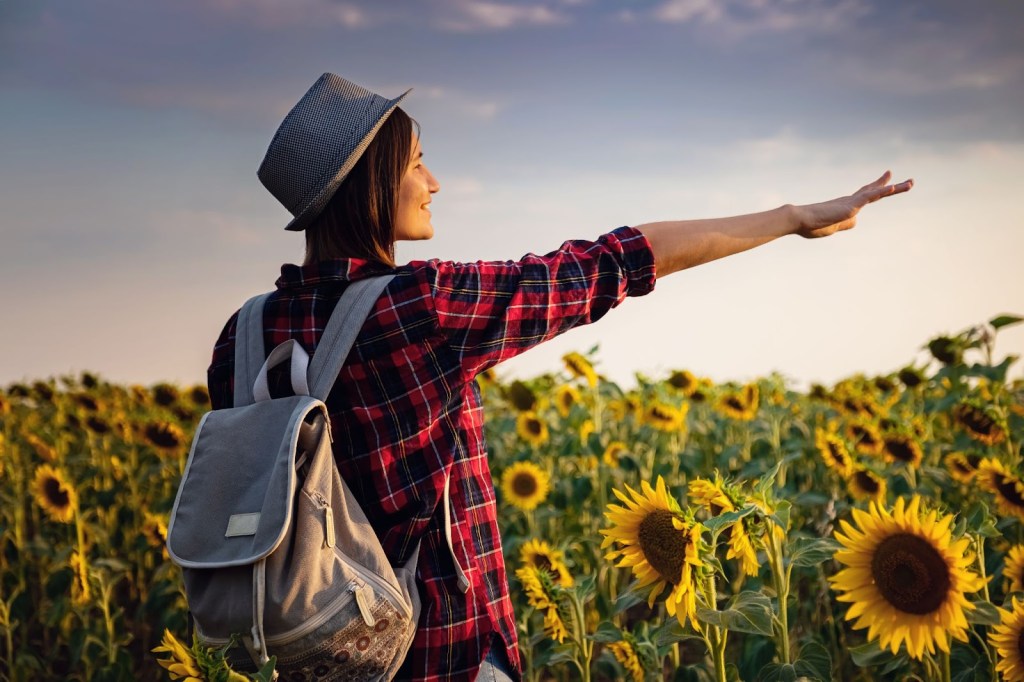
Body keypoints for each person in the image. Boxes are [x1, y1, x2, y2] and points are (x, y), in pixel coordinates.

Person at [205, 73, 913, 682]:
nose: (433, 182)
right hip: (439, 652)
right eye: (417, 163)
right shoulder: (421, 308)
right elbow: (616, 262)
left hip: (299, 652)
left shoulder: (243, 335)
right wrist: (792, 217)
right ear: (371, 182)